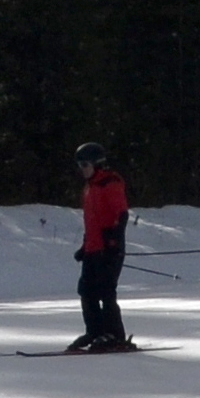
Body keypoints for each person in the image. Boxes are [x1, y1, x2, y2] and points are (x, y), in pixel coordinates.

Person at [69, 144, 132, 352]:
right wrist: (85, 246)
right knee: (86, 291)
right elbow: (92, 221)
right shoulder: (89, 187)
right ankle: (95, 331)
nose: (82, 169)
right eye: (79, 165)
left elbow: (121, 214)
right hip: (93, 249)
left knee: (106, 291)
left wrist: (113, 241)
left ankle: (114, 334)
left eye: (85, 164)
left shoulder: (109, 183)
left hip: (109, 248)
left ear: (97, 164)